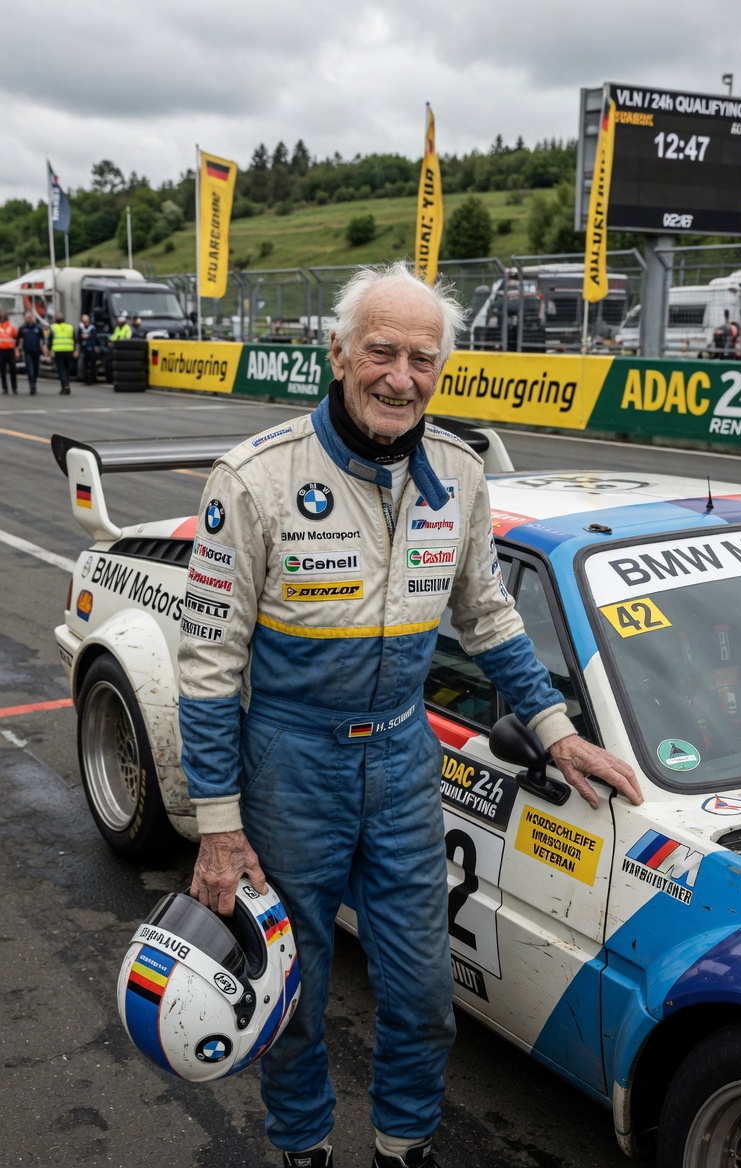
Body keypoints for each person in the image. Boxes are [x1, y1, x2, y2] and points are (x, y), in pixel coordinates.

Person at [177, 263, 642, 1168]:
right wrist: (220, 828)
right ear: (339, 352)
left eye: (421, 359)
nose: (400, 377)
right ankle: (302, 1146)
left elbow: (488, 614)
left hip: (401, 757)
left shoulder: (459, 473)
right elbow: (207, 671)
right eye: (381, 352)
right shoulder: (255, 477)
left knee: (427, 993)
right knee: (293, 994)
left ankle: (404, 1146)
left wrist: (555, 730)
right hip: (289, 765)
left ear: (441, 369)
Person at [15, 311, 49, 395]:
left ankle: (34, 382)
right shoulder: (22, 328)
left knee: (36, 368)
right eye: (27, 318)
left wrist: (44, 347)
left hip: (37, 351)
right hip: (27, 351)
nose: (29, 319)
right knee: (30, 368)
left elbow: (43, 338)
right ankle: (32, 385)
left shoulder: (38, 328)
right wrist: (17, 348)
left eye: (30, 317)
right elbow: (18, 339)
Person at [50, 311, 75, 394]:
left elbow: (50, 339)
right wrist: (75, 350)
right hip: (69, 350)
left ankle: (65, 385)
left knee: (61, 369)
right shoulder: (70, 327)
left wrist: (50, 350)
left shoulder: (53, 327)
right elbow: (74, 339)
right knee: (67, 369)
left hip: (58, 351)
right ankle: (65, 385)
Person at [77, 314, 99, 385]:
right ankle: (84, 377)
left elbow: (95, 337)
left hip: (91, 348)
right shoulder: (80, 328)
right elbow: (78, 338)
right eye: (84, 322)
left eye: (86, 321)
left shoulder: (92, 328)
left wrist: (88, 336)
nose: (86, 323)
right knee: (83, 363)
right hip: (83, 348)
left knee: (92, 364)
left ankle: (92, 378)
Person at [0, 312, 18, 394]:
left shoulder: (11, 327)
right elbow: (16, 337)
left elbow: (16, 337)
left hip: (6, 351)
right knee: (11, 370)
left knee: (5, 371)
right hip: (7, 351)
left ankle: (7, 388)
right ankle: (13, 388)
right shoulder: (12, 327)